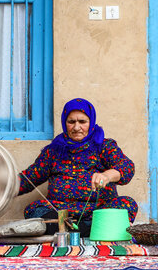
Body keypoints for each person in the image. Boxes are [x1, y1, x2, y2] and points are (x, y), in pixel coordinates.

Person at [17, 98, 137, 237]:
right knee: (34, 209)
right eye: (71, 122)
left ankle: (72, 231)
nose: (76, 127)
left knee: (127, 204)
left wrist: (107, 175)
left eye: (82, 122)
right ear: (64, 123)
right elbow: (29, 179)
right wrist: (0, 185)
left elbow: (127, 167)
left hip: (97, 212)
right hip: (61, 213)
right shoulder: (54, 151)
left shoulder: (103, 146)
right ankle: (92, 231)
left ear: (90, 122)